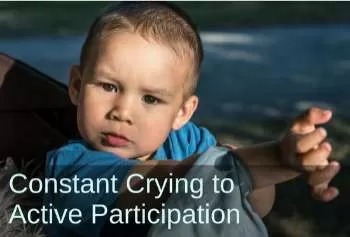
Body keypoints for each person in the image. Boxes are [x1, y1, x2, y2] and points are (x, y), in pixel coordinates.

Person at [43, 2, 340, 237]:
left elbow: (252, 205)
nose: (122, 112)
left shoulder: (189, 142)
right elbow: (155, 183)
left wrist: (273, 170)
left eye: (150, 98)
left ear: (182, 113)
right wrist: (265, 160)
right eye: (109, 87)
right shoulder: (70, 170)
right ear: (77, 87)